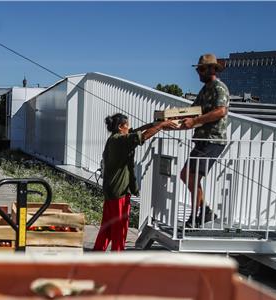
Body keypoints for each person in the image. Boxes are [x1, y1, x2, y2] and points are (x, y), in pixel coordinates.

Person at [93, 114, 177, 251]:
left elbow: (136, 131)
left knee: (108, 225)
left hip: (111, 190)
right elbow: (142, 137)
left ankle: (97, 252)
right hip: (119, 191)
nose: (129, 127)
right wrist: (161, 126)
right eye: (127, 125)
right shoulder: (120, 140)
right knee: (120, 227)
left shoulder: (115, 138)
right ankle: (117, 257)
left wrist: (153, 124)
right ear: (121, 127)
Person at [179, 53, 231, 227]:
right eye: (198, 69)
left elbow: (221, 111)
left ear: (212, 69)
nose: (199, 73)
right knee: (186, 175)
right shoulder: (205, 89)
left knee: (192, 176)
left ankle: (196, 216)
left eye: (201, 69)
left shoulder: (219, 87)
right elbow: (193, 110)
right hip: (202, 140)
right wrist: (171, 120)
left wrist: (194, 122)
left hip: (213, 140)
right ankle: (205, 211)